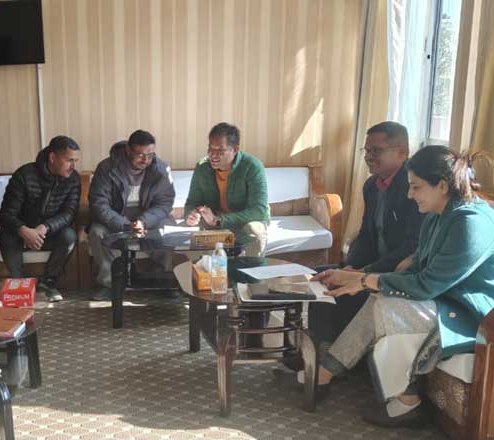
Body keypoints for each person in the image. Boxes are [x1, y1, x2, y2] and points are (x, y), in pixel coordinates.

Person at [289, 145, 494, 428]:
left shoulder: (471, 223)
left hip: (471, 316)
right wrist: (357, 275)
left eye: (416, 187)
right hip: (442, 299)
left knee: (387, 305)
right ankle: (330, 374)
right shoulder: (439, 214)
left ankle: (404, 399)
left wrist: (365, 281)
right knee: (380, 298)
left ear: (442, 186)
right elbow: (417, 264)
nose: (410, 195)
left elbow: (427, 284)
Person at [308, 121, 424, 345]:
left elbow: (411, 247)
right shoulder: (371, 185)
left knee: (341, 290)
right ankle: (318, 347)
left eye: (376, 151)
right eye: (367, 150)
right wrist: (350, 266)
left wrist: (362, 273)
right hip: (370, 266)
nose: (368, 157)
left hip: (397, 273)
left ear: (402, 152)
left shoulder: (414, 189)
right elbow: (366, 235)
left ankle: (335, 352)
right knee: (320, 277)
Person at [88, 130, 176, 300]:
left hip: (148, 221)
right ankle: (108, 283)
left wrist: (144, 221)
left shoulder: (161, 169)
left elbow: (165, 202)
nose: (145, 160)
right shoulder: (107, 168)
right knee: (96, 232)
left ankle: (161, 278)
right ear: (128, 150)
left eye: (150, 155)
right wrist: (126, 225)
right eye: (140, 154)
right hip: (116, 221)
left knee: (168, 227)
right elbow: (99, 204)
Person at [0, 135, 81, 302]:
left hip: (47, 231)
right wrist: (23, 230)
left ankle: (48, 284)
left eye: (75, 161)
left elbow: (69, 213)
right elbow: (6, 214)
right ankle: (19, 285)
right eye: (69, 160)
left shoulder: (73, 179)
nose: (73, 166)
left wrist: (45, 227)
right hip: (19, 231)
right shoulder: (24, 175)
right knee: (7, 235)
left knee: (69, 236)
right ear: (52, 158)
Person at [184, 122, 269, 257]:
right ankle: (204, 269)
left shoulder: (252, 166)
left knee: (255, 229)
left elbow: (259, 211)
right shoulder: (202, 167)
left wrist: (219, 220)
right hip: (215, 222)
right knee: (192, 240)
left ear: (235, 149)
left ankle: (252, 269)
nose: (213, 154)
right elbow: (192, 203)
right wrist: (191, 215)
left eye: (220, 150)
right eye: (210, 148)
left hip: (243, 222)